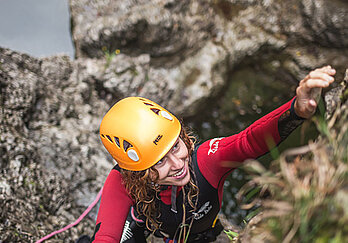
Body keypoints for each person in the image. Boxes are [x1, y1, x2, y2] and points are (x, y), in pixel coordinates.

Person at [91, 66, 336, 243]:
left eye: (176, 146)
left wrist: (296, 110)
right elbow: (105, 237)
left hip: (203, 236)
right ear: (138, 172)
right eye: (160, 161)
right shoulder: (123, 181)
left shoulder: (206, 160)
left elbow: (248, 141)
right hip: (149, 232)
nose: (178, 164)